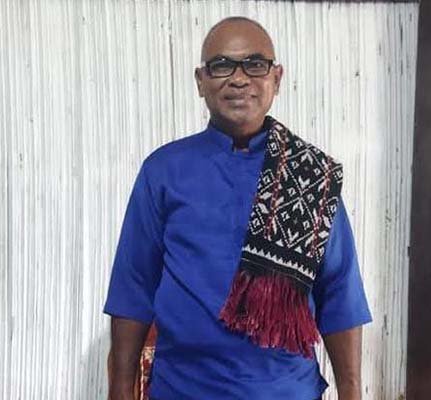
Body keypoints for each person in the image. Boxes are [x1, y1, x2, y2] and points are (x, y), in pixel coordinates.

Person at [104, 16, 372, 400]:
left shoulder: (310, 176)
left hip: (285, 391)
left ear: (276, 78)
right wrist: (119, 389)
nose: (239, 79)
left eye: (255, 64)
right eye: (222, 65)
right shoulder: (163, 171)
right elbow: (133, 288)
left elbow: (340, 293)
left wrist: (351, 390)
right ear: (201, 81)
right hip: (183, 390)